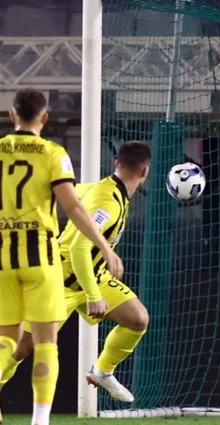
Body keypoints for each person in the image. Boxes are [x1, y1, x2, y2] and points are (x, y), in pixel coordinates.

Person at [0, 89, 124, 425]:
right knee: (45, 344)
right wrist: (104, 246)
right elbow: (73, 206)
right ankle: (40, 422)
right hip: (41, 258)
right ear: (44, 118)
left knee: (7, 340)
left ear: (12, 116)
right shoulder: (54, 154)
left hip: (4, 259)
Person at [0, 141, 151, 405]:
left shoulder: (104, 189)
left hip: (95, 276)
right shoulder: (109, 203)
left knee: (137, 319)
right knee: (22, 346)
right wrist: (93, 295)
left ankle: (102, 371)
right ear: (145, 171)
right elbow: (79, 247)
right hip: (61, 280)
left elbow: (70, 191)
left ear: (116, 164)